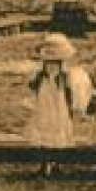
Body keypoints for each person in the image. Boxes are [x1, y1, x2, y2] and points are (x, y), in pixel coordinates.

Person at [25, 34, 76, 178]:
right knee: (56, 129)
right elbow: (68, 89)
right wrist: (69, 106)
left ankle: (46, 164)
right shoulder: (64, 70)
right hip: (57, 102)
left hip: (44, 101)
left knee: (44, 129)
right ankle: (54, 164)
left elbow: (31, 86)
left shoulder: (41, 70)